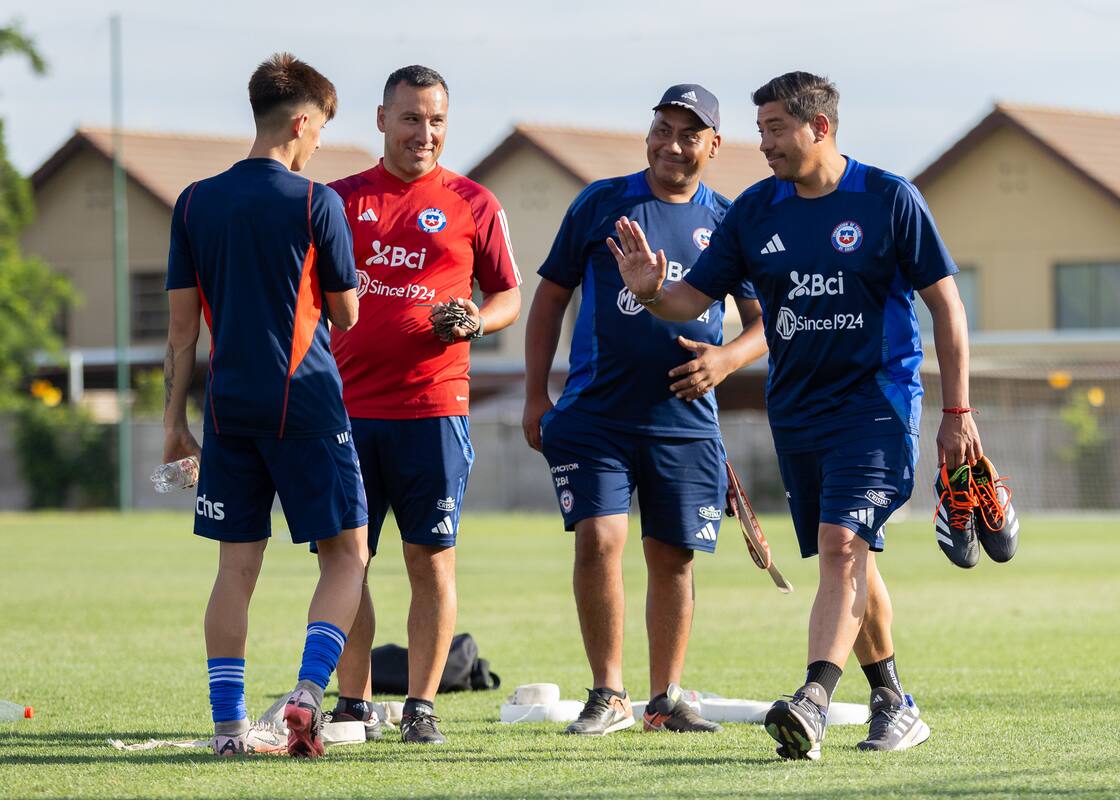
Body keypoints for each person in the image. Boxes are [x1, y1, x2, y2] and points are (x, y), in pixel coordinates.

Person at [607, 71, 982, 759]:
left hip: (877, 406)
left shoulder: (888, 198)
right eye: (761, 131)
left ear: (820, 128)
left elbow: (948, 310)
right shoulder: (754, 211)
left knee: (843, 548)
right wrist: (654, 293)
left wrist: (956, 411)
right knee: (851, 559)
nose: (765, 144)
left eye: (776, 129)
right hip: (798, 414)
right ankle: (895, 702)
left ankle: (813, 699)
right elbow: (694, 300)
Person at [523, 84, 767, 736]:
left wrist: (724, 362)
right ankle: (609, 692)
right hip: (596, 415)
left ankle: (666, 698)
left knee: (674, 557)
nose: (671, 144)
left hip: (686, 424)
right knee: (600, 539)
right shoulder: (603, 202)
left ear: (713, 146)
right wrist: (534, 394)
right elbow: (548, 298)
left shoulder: (730, 218)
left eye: (689, 134)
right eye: (663, 128)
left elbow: (762, 323)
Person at [162, 53, 369, 758]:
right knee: (348, 554)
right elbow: (344, 316)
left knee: (234, 570)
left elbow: (181, 333)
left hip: (226, 412)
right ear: (303, 124)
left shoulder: (193, 202)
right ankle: (308, 696)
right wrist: (354, 284)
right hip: (307, 406)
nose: (317, 147)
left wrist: (173, 428)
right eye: (320, 133)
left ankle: (227, 731)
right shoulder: (318, 203)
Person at [323, 65, 522, 745]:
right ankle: (353, 702)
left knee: (429, 561)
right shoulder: (337, 200)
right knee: (346, 560)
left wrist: (476, 319)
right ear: (382, 121)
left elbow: (508, 297)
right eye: (411, 118)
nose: (424, 132)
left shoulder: (474, 201)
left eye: (436, 119)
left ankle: (421, 705)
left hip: (434, 411)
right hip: (344, 413)